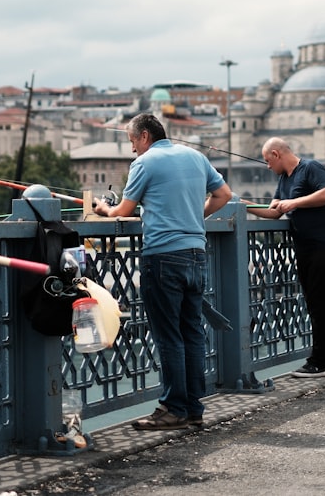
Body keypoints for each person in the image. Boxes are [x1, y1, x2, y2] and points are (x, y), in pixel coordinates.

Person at [93, 113, 231, 430]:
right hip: (196, 253)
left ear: (144, 136)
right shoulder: (196, 156)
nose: (131, 150)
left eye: (131, 142)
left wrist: (103, 210)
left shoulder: (145, 163)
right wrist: (197, 216)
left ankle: (173, 408)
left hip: (163, 257)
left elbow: (123, 211)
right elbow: (224, 195)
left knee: (169, 336)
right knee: (192, 332)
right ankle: (194, 408)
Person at [246, 138, 325, 377]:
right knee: (316, 304)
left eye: (268, 161)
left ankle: (319, 362)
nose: (268, 166)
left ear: (276, 154)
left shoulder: (310, 168)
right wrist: (241, 204)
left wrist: (294, 202)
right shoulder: (284, 180)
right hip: (306, 249)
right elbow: (273, 212)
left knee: (320, 305)